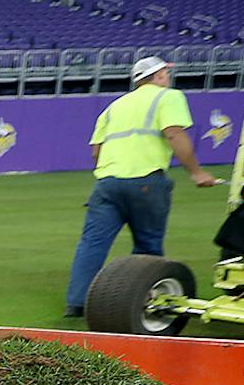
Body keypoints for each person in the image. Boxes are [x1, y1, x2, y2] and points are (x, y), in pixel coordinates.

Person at [65, 55, 219, 319]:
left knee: (91, 243)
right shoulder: (168, 97)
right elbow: (174, 133)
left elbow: (95, 151)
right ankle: (143, 300)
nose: (168, 78)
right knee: (148, 246)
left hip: (107, 183)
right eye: (165, 74)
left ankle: (76, 304)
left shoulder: (114, 106)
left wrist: (111, 174)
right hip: (147, 180)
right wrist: (195, 172)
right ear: (158, 76)